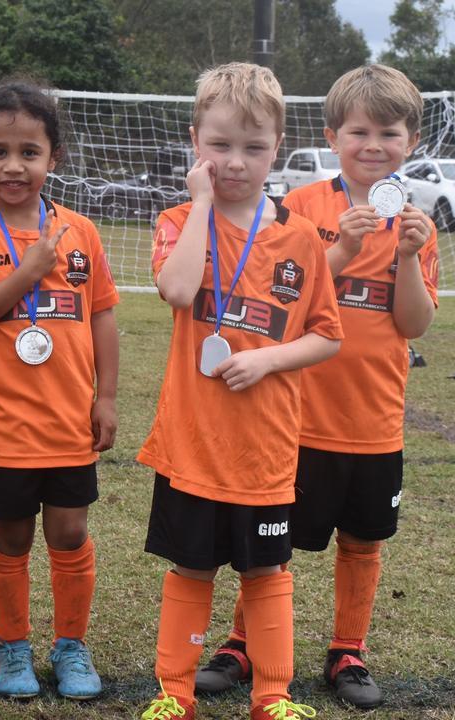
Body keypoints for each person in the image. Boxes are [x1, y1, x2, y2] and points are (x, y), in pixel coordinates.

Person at [195, 63, 439, 711]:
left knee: (363, 541)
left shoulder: (417, 225)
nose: (373, 145)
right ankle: (244, 643)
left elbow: (414, 324)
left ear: (409, 141)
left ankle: (347, 651)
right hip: (294, 419)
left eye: (388, 132)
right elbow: (282, 300)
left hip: (374, 422)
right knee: (268, 543)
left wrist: (408, 257)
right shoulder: (300, 209)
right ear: (333, 137)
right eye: (359, 131)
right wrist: (340, 253)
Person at [136, 62, 343, 720]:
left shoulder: (301, 239)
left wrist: (270, 361)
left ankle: (273, 698)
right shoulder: (178, 220)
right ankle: (174, 694)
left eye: (253, 148)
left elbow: (327, 335)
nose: (235, 161)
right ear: (196, 141)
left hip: (265, 451)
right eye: (220, 145)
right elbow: (175, 289)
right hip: (192, 445)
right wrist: (200, 201)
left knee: (267, 575)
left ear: (276, 147)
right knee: (191, 570)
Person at [0, 81, 120, 701]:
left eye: (28, 152)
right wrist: (27, 274)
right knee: (11, 536)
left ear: (54, 157)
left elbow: (102, 317)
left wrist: (107, 397)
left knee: (69, 533)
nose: (13, 166)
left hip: (70, 422)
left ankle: (71, 645)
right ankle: (11, 646)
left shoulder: (82, 233)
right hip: (4, 428)